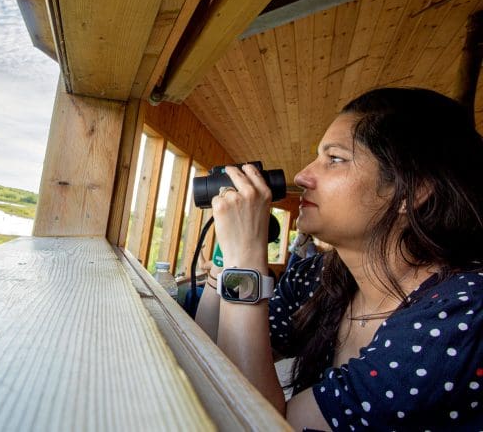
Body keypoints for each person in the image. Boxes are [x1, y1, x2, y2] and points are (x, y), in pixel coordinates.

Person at [195, 87, 483, 430]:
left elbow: (255, 423)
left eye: (334, 159)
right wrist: (227, 257)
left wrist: (246, 260)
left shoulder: (461, 314)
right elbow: (210, 349)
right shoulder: (318, 278)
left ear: (413, 191)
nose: (302, 176)